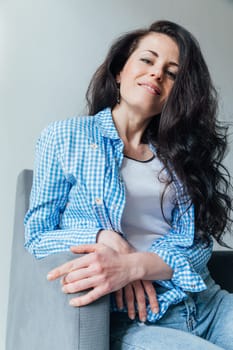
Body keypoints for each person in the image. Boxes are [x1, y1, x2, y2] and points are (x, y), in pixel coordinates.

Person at [24, 20, 233, 349]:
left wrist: (134, 265)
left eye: (172, 72)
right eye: (147, 61)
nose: (157, 74)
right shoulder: (66, 137)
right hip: (138, 319)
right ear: (120, 70)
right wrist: (104, 239)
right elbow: (38, 236)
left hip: (208, 303)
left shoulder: (180, 154)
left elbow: (199, 242)